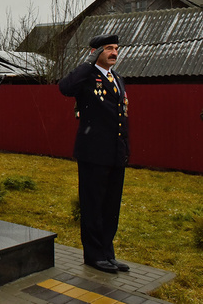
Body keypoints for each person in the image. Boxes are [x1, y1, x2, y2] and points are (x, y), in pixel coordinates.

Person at [59, 34, 130, 274]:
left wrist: (125, 150)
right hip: (93, 154)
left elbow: (122, 117)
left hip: (115, 154)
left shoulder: (117, 78)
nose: (114, 52)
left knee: (111, 208)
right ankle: (93, 255)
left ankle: (108, 254)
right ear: (95, 51)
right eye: (109, 48)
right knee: (93, 206)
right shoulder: (87, 75)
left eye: (116, 48)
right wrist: (88, 62)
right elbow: (65, 88)